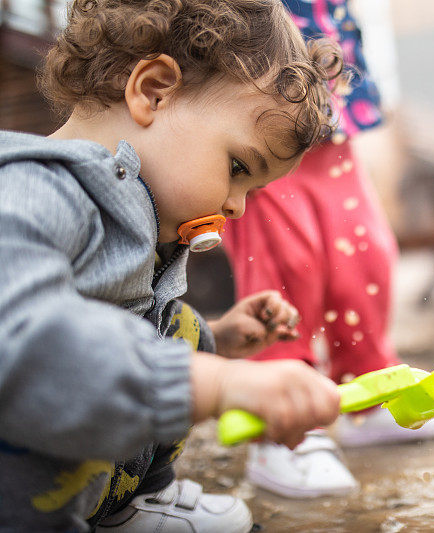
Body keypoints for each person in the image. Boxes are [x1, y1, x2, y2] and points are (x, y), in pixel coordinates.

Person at [0, 0, 345, 530]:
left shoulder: (135, 209)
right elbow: (22, 340)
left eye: (252, 188)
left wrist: (217, 339)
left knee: (178, 327)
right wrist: (221, 385)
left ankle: (131, 505)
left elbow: (130, 325)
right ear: (153, 90)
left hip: (85, 484)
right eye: (237, 168)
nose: (238, 206)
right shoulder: (32, 190)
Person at [224, 0, 434, 499]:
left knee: (365, 253)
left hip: (332, 105)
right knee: (286, 259)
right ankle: (281, 425)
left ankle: (367, 393)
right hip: (257, 95)